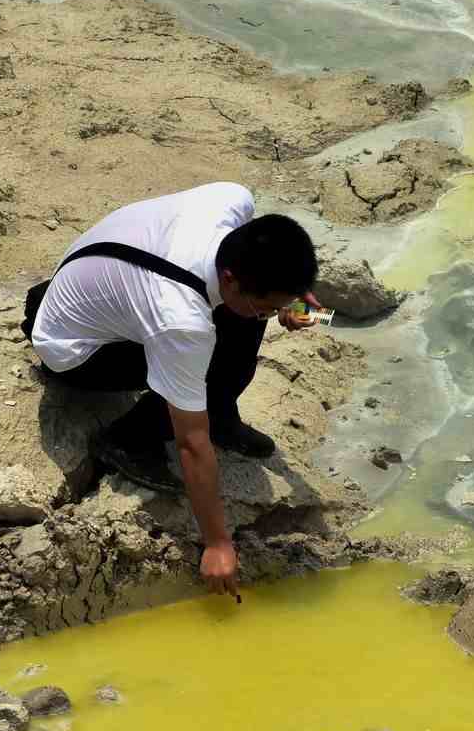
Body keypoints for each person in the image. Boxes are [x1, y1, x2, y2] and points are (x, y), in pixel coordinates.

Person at [23, 182, 319, 597]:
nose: (280, 315)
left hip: (91, 282)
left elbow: (266, 270)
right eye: (273, 304)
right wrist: (218, 543)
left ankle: (223, 412)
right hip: (75, 349)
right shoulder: (181, 322)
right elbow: (192, 443)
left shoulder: (231, 200)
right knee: (216, 355)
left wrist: (295, 296)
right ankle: (128, 439)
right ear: (232, 279)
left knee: (242, 320)